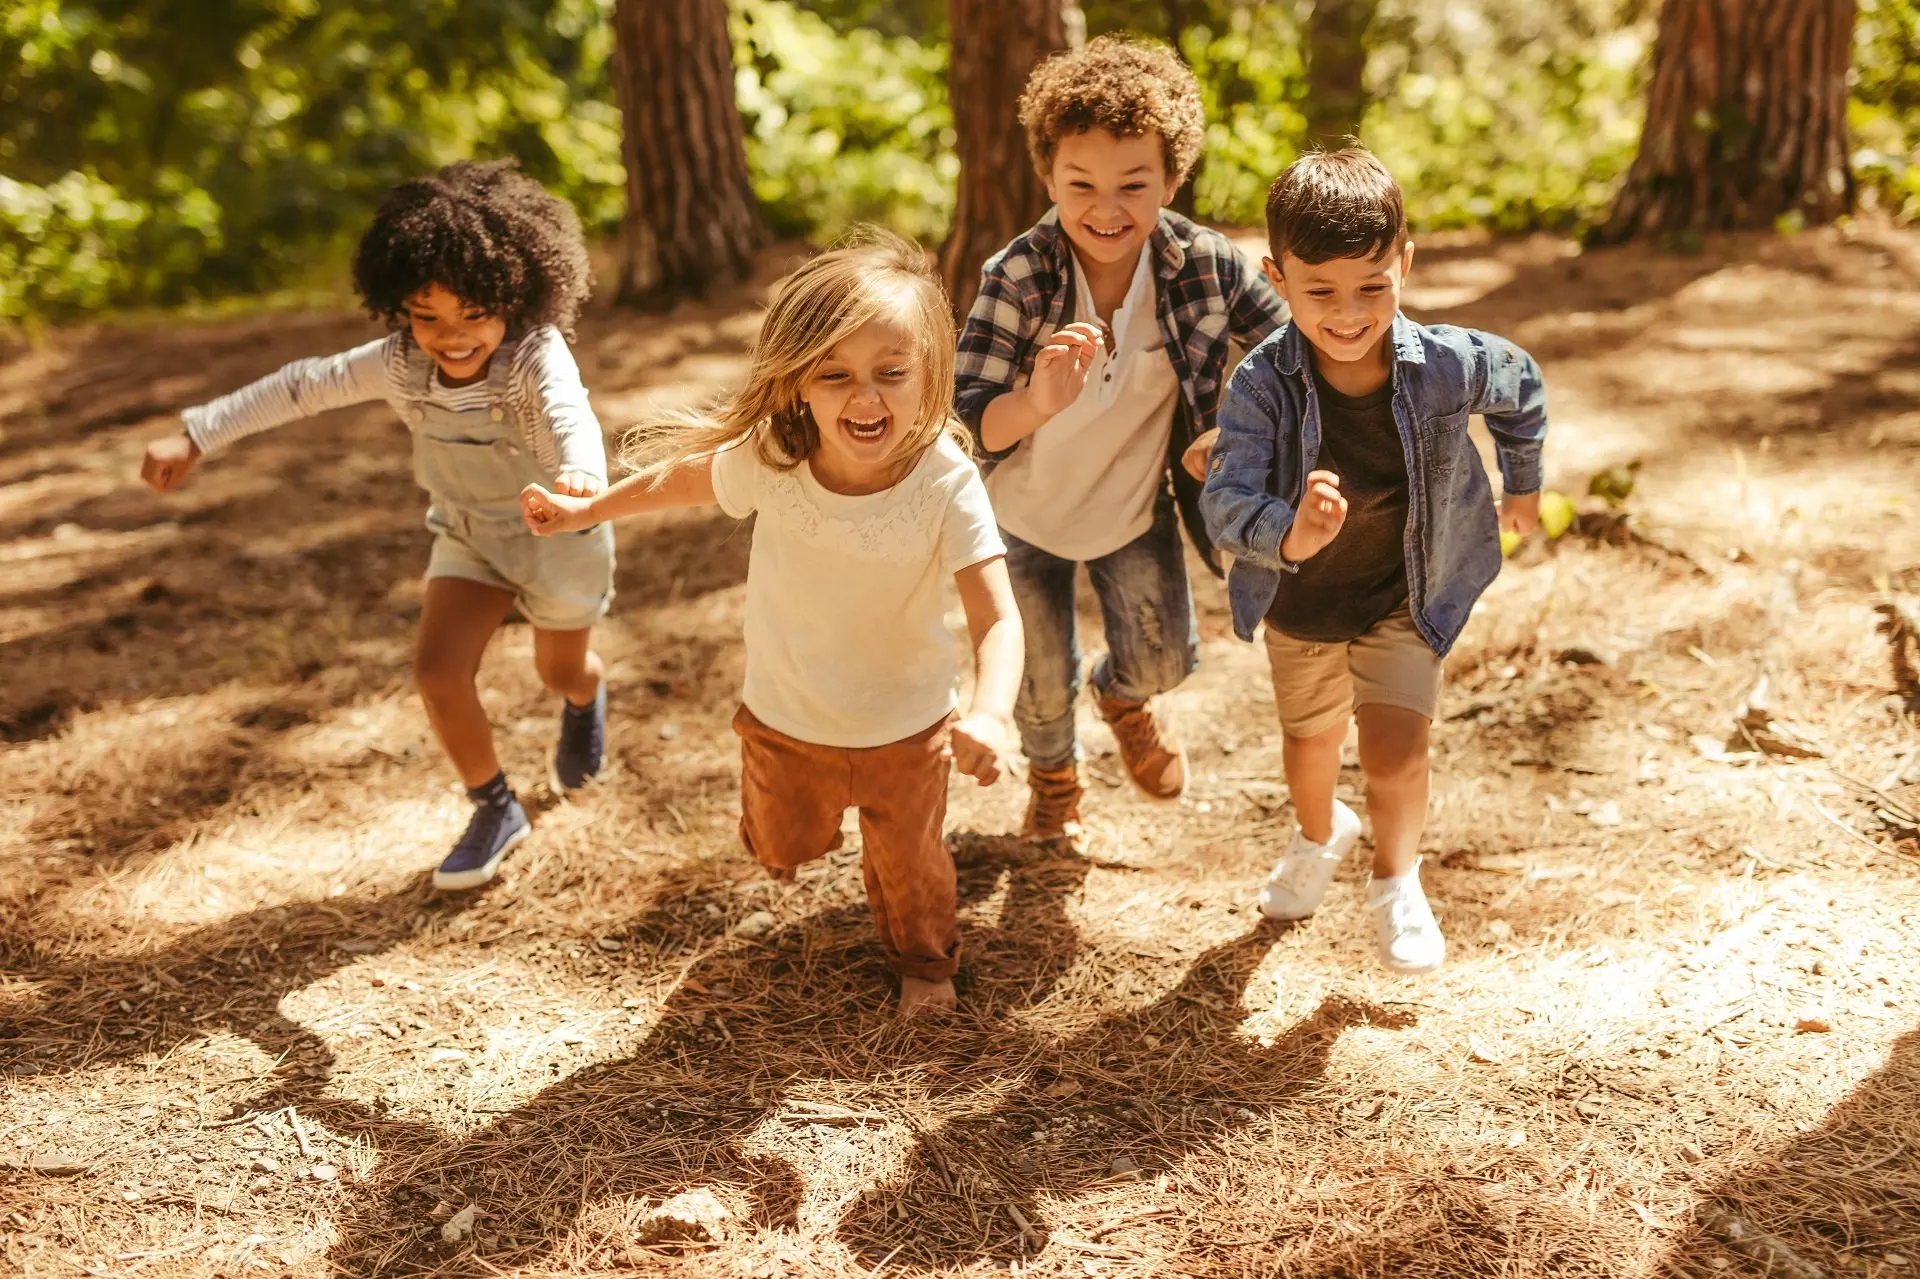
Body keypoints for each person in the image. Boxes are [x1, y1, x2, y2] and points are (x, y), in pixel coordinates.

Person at [521, 233, 1022, 1015]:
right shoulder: (775, 456)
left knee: (915, 865)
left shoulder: (945, 481)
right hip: (787, 717)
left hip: (908, 725)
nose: (867, 399)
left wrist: (991, 711)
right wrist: (590, 506)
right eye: (837, 376)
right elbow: (680, 480)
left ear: (929, 374)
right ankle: (785, 838)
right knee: (781, 843)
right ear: (797, 386)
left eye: (892, 374)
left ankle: (926, 964)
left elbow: (996, 616)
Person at [138, 160, 612, 892]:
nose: (450, 337)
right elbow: (300, 386)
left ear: (513, 297)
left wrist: (581, 474)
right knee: (436, 671)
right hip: (469, 536)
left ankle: (584, 699)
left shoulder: (533, 357)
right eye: (427, 317)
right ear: (400, 305)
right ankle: (494, 805)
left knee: (559, 668)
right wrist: (197, 435)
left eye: (472, 315)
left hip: (559, 530)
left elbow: (567, 413)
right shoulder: (399, 365)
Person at [1200, 147, 1548, 973]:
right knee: (1311, 746)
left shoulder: (1448, 363)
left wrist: (1523, 488)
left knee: (1396, 753)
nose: (1348, 312)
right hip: (1302, 605)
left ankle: (1397, 880)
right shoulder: (1261, 385)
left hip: (1407, 592)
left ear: (1406, 263)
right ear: (1277, 277)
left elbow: (1523, 386)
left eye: (1373, 286)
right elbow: (1225, 499)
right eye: (1320, 290)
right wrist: (1290, 531)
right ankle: (1320, 833)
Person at [954, 35, 1288, 854]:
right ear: (1048, 180)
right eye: (1082, 186)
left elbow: (1292, 348)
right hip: (1016, 517)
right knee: (1035, 683)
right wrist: (1034, 400)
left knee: (1167, 658)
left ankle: (1124, 698)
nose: (1107, 209)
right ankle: (1056, 785)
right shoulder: (1018, 275)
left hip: (1132, 510)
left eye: (1134, 185)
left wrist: (1233, 430)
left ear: (1172, 180)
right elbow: (968, 420)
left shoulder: (1205, 266)